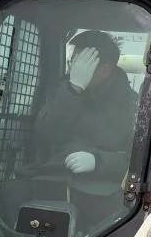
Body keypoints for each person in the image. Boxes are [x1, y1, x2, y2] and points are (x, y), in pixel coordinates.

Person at [33, 29, 138, 186]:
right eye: (73, 61)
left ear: (104, 70)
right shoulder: (63, 90)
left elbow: (139, 158)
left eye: (81, 62)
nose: (74, 69)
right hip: (52, 175)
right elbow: (44, 134)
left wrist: (99, 161)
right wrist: (73, 91)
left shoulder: (131, 105)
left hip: (101, 188)